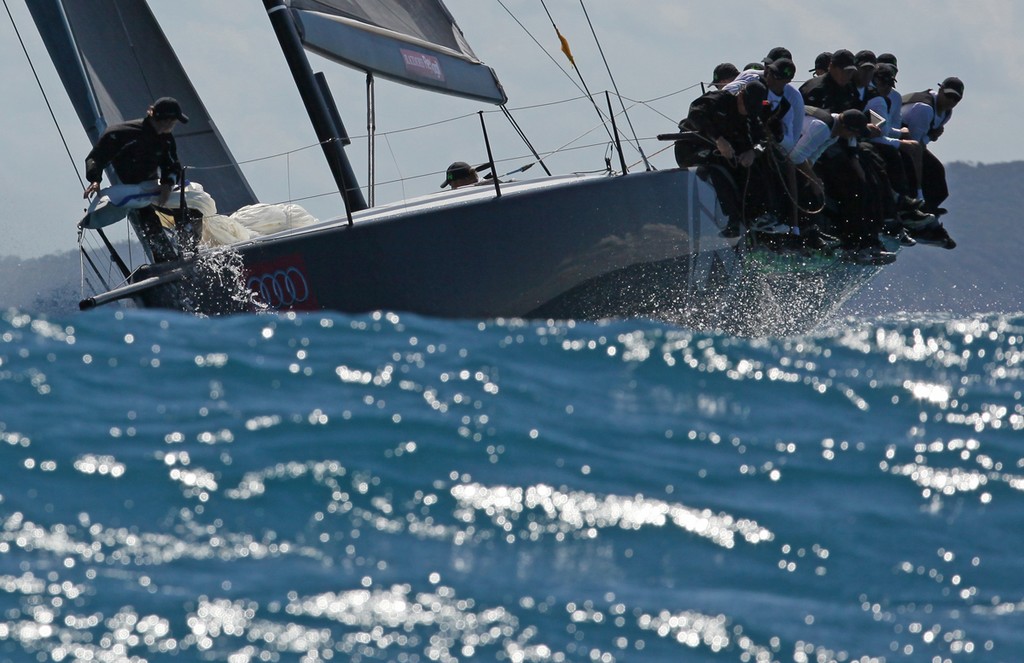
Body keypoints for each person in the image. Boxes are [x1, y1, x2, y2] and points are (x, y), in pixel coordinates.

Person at [83, 97, 192, 261]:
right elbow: (96, 159)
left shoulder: (165, 138)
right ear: (165, 120)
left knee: (188, 208)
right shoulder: (120, 134)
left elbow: (172, 165)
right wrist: (95, 179)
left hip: (154, 187)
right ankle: (166, 259)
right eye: (173, 122)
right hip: (132, 191)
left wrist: (167, 185)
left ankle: (189, 250)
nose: (173, 126)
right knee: (148, 219)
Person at [789, 108, 894, 263]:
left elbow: (811, 157)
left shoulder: (834, 133)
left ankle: (813, 231)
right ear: (846, 128)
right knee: (808, 189)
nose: (854, 137)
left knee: (816, 188)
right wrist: (812, 180)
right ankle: (801, 234)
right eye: (854, 133)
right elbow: (795, 157)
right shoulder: (822, 129)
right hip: (782, 152)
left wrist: (814, 179)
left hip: (796, 157)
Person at [901, 76, 963, 215]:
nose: (951, 101)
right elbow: (915, 145)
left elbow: (923, 141)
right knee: (925, 170)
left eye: (956, 99)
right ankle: (917, 204)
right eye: (949, 95)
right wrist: (932, 136)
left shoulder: (947, 112)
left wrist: (930, 136)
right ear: (940, 90)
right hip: (901, 139)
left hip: (915, 143)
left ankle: (928, 209)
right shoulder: (925, 109)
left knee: (939, 182)